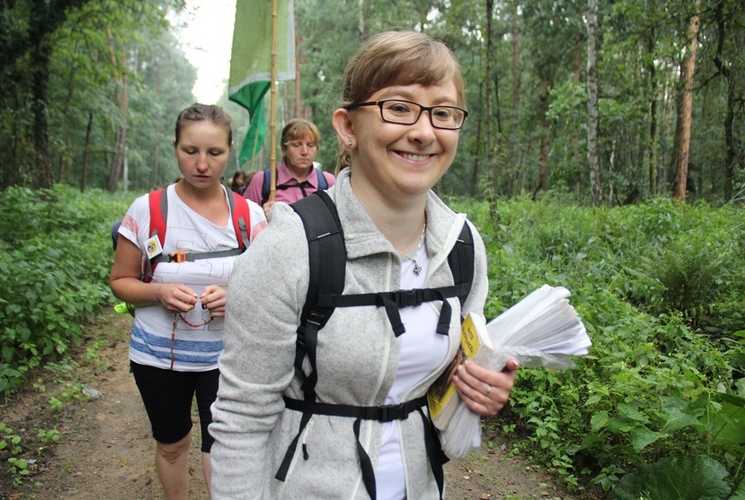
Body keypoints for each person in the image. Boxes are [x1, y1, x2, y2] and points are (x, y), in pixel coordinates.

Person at [210, 31, 518, 499]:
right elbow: (241, 422)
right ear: (347, 127)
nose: (423, 131)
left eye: (443, 112)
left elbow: (446, 378)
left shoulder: (461, 246)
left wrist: (478, 389)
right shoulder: (291, 248)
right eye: (398, 107)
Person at [109, 103, 267, 498]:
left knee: (223, 446)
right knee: (172, 443)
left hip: (230, 357)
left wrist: (237, 297)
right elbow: (121, 281)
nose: (201, 164)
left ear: (230, 150)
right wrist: (157, 292)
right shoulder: (147, 210)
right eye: (190, 151)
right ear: (175, 147)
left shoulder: (249, 215)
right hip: (158, 357)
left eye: (214, 153)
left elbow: (271, 288)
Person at [242, 118, 336, 218]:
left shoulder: (328, 183)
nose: (304, 151)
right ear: (284, 149)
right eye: (297, 145)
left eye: (310, 145)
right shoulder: (263, 182)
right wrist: (261, 218)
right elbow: (243, 222)